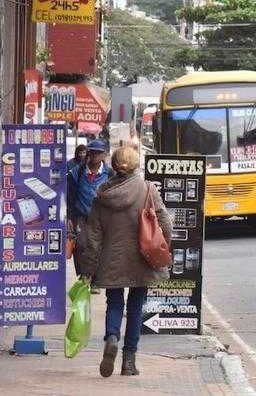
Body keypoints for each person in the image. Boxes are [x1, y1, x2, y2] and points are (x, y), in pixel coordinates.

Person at [80, 146, 173, 377]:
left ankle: (112, 337)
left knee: (114, 303)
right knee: (135, 307)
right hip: (142, 258)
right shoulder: (147, 189)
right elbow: (166, 224)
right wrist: (162, 248)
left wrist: (88, 269)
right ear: (135, 165)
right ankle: (129, 361)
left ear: (114, 165)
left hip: (111, 260)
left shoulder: (102, 194)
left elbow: (92, 236)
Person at [67, 140, 114, 278]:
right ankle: (83, 277)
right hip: (81, 216)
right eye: (92, 152)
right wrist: (70, 216)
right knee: (80, 246)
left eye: (98, 153)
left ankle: (95, 278)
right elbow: (69, 195)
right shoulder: (78, 171)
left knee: (98, 248)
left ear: (104, 155)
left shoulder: (109, 174)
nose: (94, 155)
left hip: (102, 218)